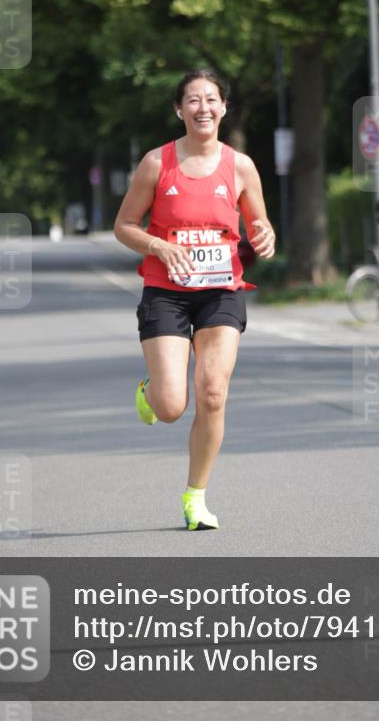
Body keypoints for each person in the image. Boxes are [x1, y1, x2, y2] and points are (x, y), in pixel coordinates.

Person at [113, 68, 275, 530]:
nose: (202, 108)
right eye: (192, 100)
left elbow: (260, 226)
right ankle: (150, 390)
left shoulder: (240, 165)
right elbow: (124, 225)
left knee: (212, 392)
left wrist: (265, 237)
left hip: (221, 290)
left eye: (211, 99)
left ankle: (196, 497)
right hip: (166, 292)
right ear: (179, 110)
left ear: (223, 107)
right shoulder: (156, 164)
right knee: (170, 407)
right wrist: (159, 245)